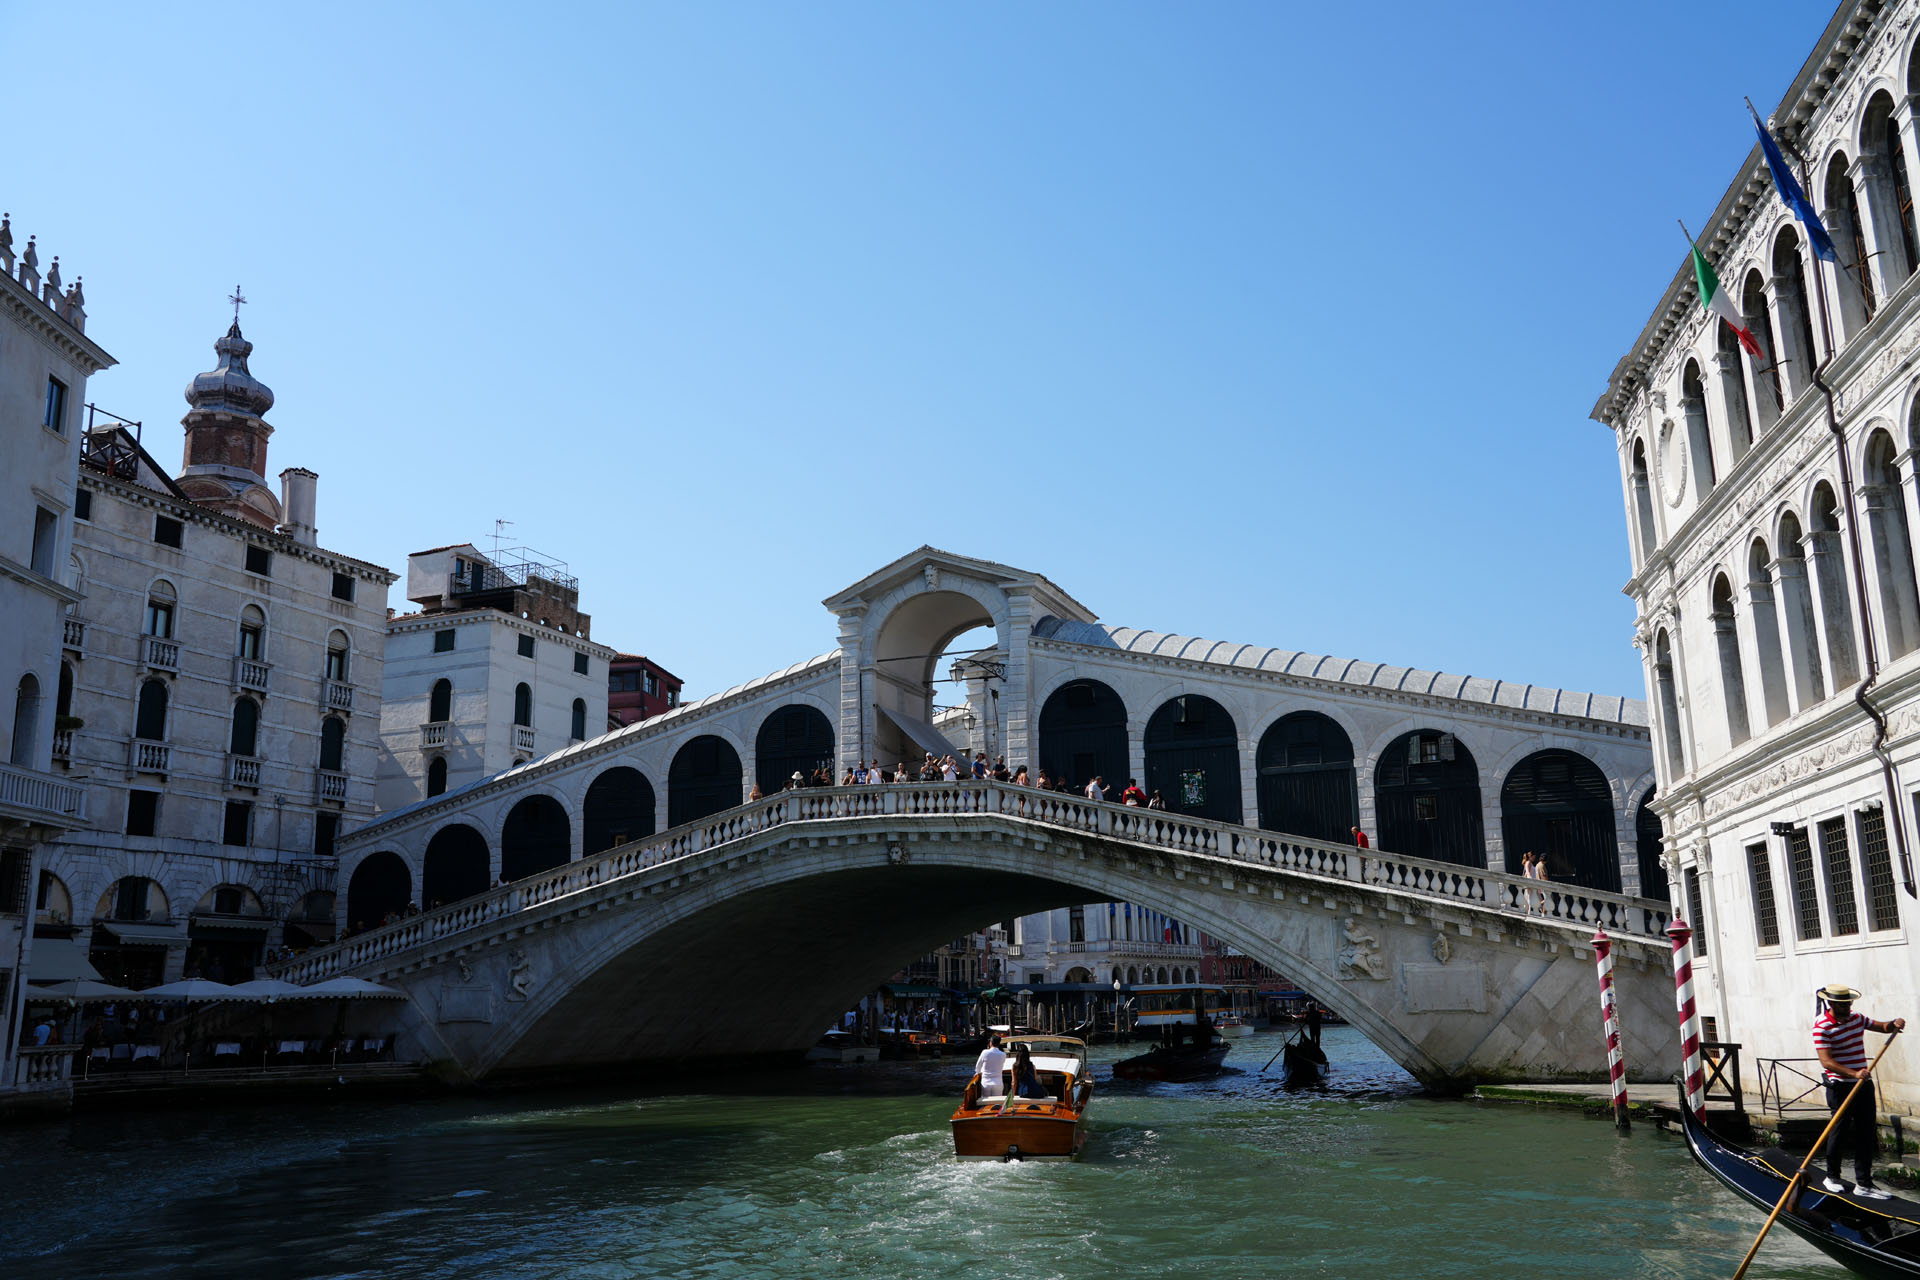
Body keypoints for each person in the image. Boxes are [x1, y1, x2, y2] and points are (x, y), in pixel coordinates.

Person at [1814, 984, 1906, 1198]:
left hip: (1863, 1085)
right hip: (1840, 1086)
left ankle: (1864, 1184)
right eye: (1843, 1004)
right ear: (1832, 1003)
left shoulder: (1856, 1018)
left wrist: (1894, 1023)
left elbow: (1881, 1027)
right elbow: (1826, 1061)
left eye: (1849, 1003)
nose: (1847, 1007)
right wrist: (1853, 1073)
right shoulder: (1822, 1026)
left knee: (1866, 1132)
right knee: (1839, 1131)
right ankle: (1832, 1176)